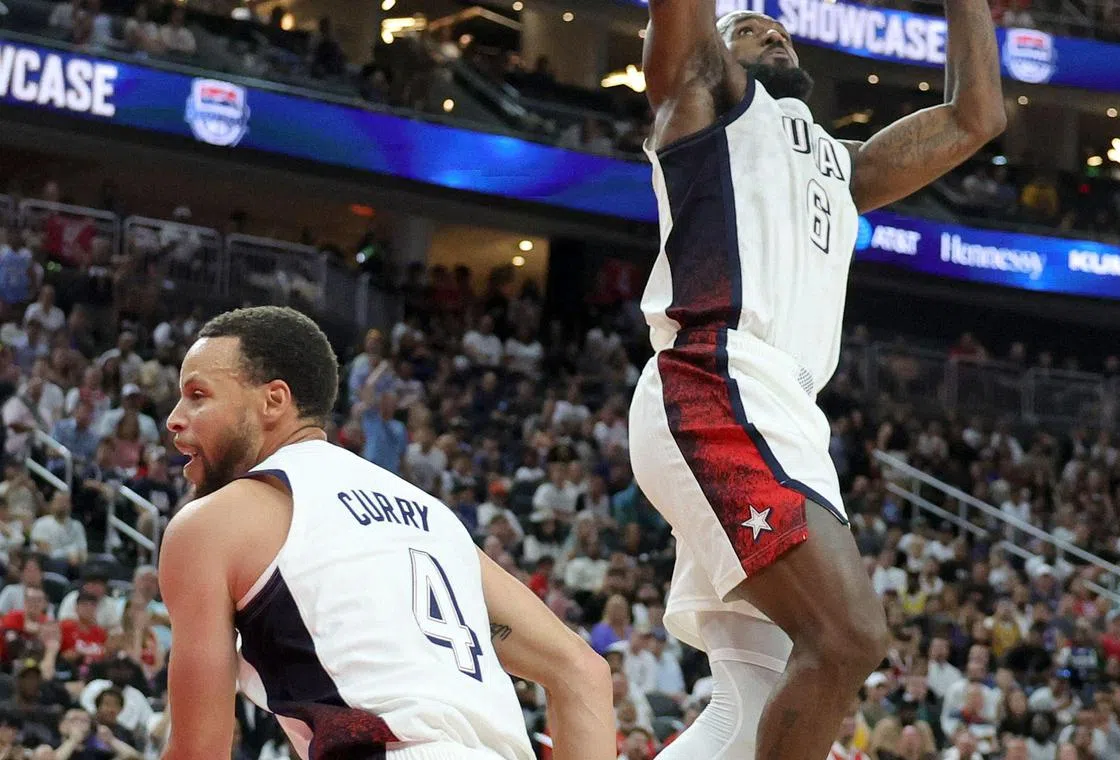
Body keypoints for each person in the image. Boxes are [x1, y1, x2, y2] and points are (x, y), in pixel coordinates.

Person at [628, 0, 1006, 758]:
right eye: (747, 28)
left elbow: (976, 117)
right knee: (849, 637)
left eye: (779, 29)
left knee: (750, 707)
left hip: (784, 410)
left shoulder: (843, 163)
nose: (773, 31)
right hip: (715, 378)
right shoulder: (702, 98)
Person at [159, 306, 613, 760]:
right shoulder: (435, 519)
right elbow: (582, 670)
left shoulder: (211, 522)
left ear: (274, 401)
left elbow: (198, 752)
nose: (174, 418)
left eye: (198, 395)